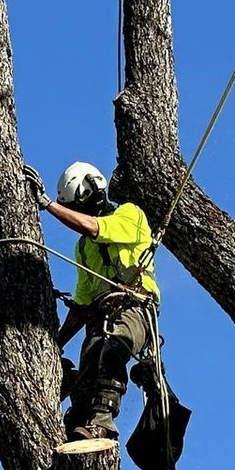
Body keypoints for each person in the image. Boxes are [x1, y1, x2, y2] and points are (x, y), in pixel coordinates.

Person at [22, 159, 159, 443]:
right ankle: (76, 424)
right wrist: (55, 343)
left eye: (75, 206)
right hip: (100, 316)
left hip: (134, 309)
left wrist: (47, 204)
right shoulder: (83, 248)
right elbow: (83, 305)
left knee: (114, 348)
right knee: (88, 372)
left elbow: (96, 228)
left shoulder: (129, 215)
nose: (76, 212)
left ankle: (103, 424)